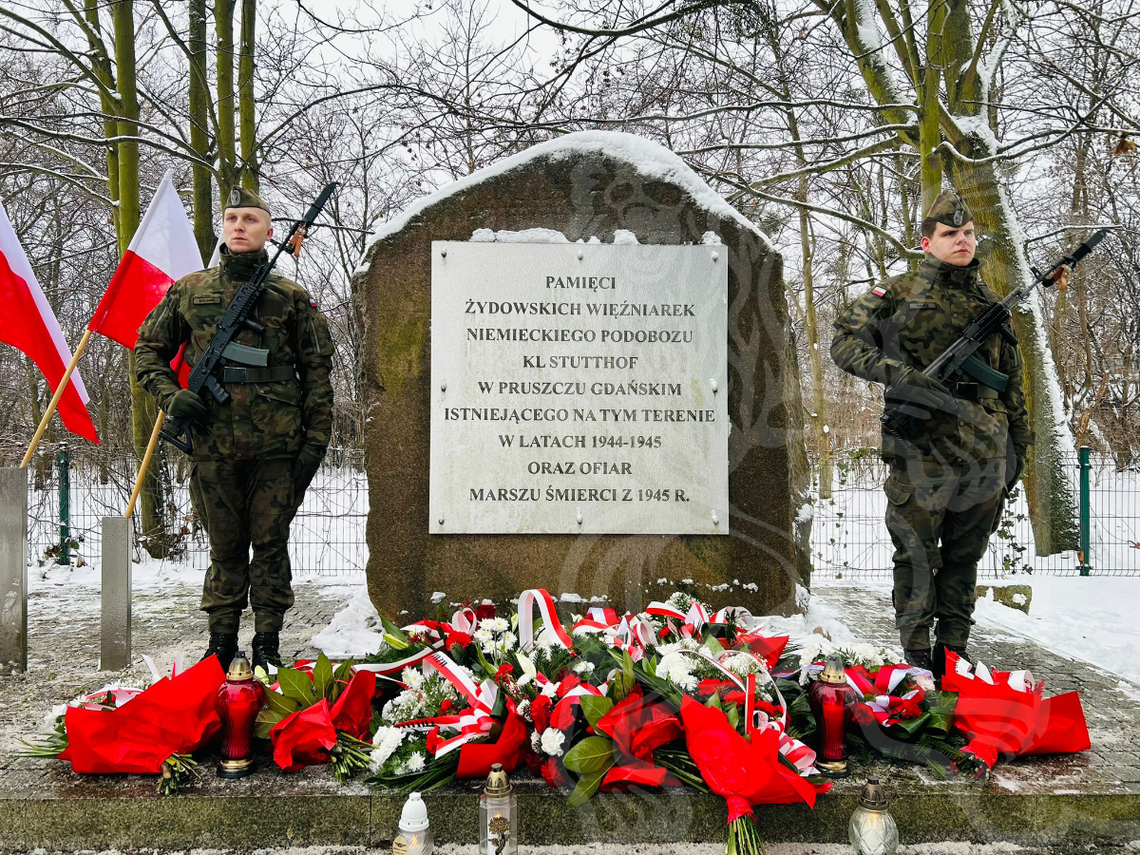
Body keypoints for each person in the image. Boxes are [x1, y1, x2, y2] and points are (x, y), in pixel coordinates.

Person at [831, 191, 1032, 678]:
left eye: (967, 233)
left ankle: (954, 652)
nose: (962, 240)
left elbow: (1013, 381)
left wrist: (1018, 450)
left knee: (965, 557)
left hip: (986, 452)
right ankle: (918, 657)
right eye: (950, 234)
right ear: (927, 242)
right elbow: (842, 342)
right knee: (917, 554)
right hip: (921, 449)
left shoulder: (991, 302)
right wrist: (897, 374)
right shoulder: (897, 293)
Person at [135, 187, 334, 672]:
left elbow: (317, 376)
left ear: (271, 231)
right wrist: (171, 395)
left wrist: (314, 444)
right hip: (213, 445)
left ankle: (268, 640)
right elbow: (147, 352)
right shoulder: (190, 290)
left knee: (270, 546)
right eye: (231, 218)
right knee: (224, 549)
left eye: (250, 219)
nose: (239, 226)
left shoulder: (290, 297)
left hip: (276, 449)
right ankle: (221, 640)